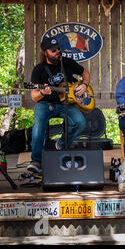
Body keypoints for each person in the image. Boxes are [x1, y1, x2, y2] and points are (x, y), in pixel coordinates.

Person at [27, 37, 90, 173]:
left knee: (80, 122)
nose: (57, 52)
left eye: (58, 49)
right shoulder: (38, 70)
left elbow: (85, 72)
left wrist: (84, 85)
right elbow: (34, 96)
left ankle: (60, 144)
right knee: (38, 125)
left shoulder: (66, 62)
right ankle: (36, 161)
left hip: (66, 103)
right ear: (45, 52)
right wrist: (43, 92)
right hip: (46, 104)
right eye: (53, 50)